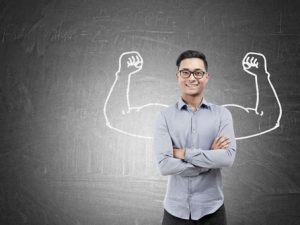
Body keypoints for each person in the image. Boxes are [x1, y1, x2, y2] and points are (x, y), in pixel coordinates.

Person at [153, 50, 237, 225]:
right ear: (178, 76)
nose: (192, 78)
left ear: (206, 77)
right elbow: (164, 165)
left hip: (213, 210)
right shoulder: (164, 117)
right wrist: (208, 162)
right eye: (186, 72)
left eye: (198, 72)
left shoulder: (222, 115)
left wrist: (183, 154)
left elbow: (227, 158)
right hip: (175, 211)